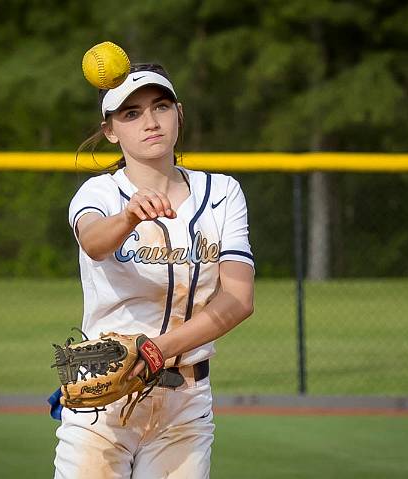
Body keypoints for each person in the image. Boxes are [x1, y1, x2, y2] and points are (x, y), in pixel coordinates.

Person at [51, 63, 255, 479]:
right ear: (111, 131)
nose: (150, 121)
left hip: (185, 403)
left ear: (178, 112)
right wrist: (127, 218)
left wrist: (158, 350)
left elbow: (238, 299)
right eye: (131, 113)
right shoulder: (101, 193)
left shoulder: (221, 193)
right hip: (105, 403)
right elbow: (93, 241)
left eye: (160, 107)